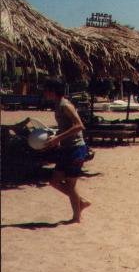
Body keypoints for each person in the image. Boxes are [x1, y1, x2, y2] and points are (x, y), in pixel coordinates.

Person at [16, 78, 91, 223]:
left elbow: (79, 126)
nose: (43, 92)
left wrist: (58, 139)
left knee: (70, 184)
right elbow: (66, 127)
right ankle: (80, 202)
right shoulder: (57, 105)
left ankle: (77, 217)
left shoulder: (65, 105)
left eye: (46, 90)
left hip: (76, 148)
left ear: (52, 91)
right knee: (54, 181)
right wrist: (56, 137)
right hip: (67, 148)